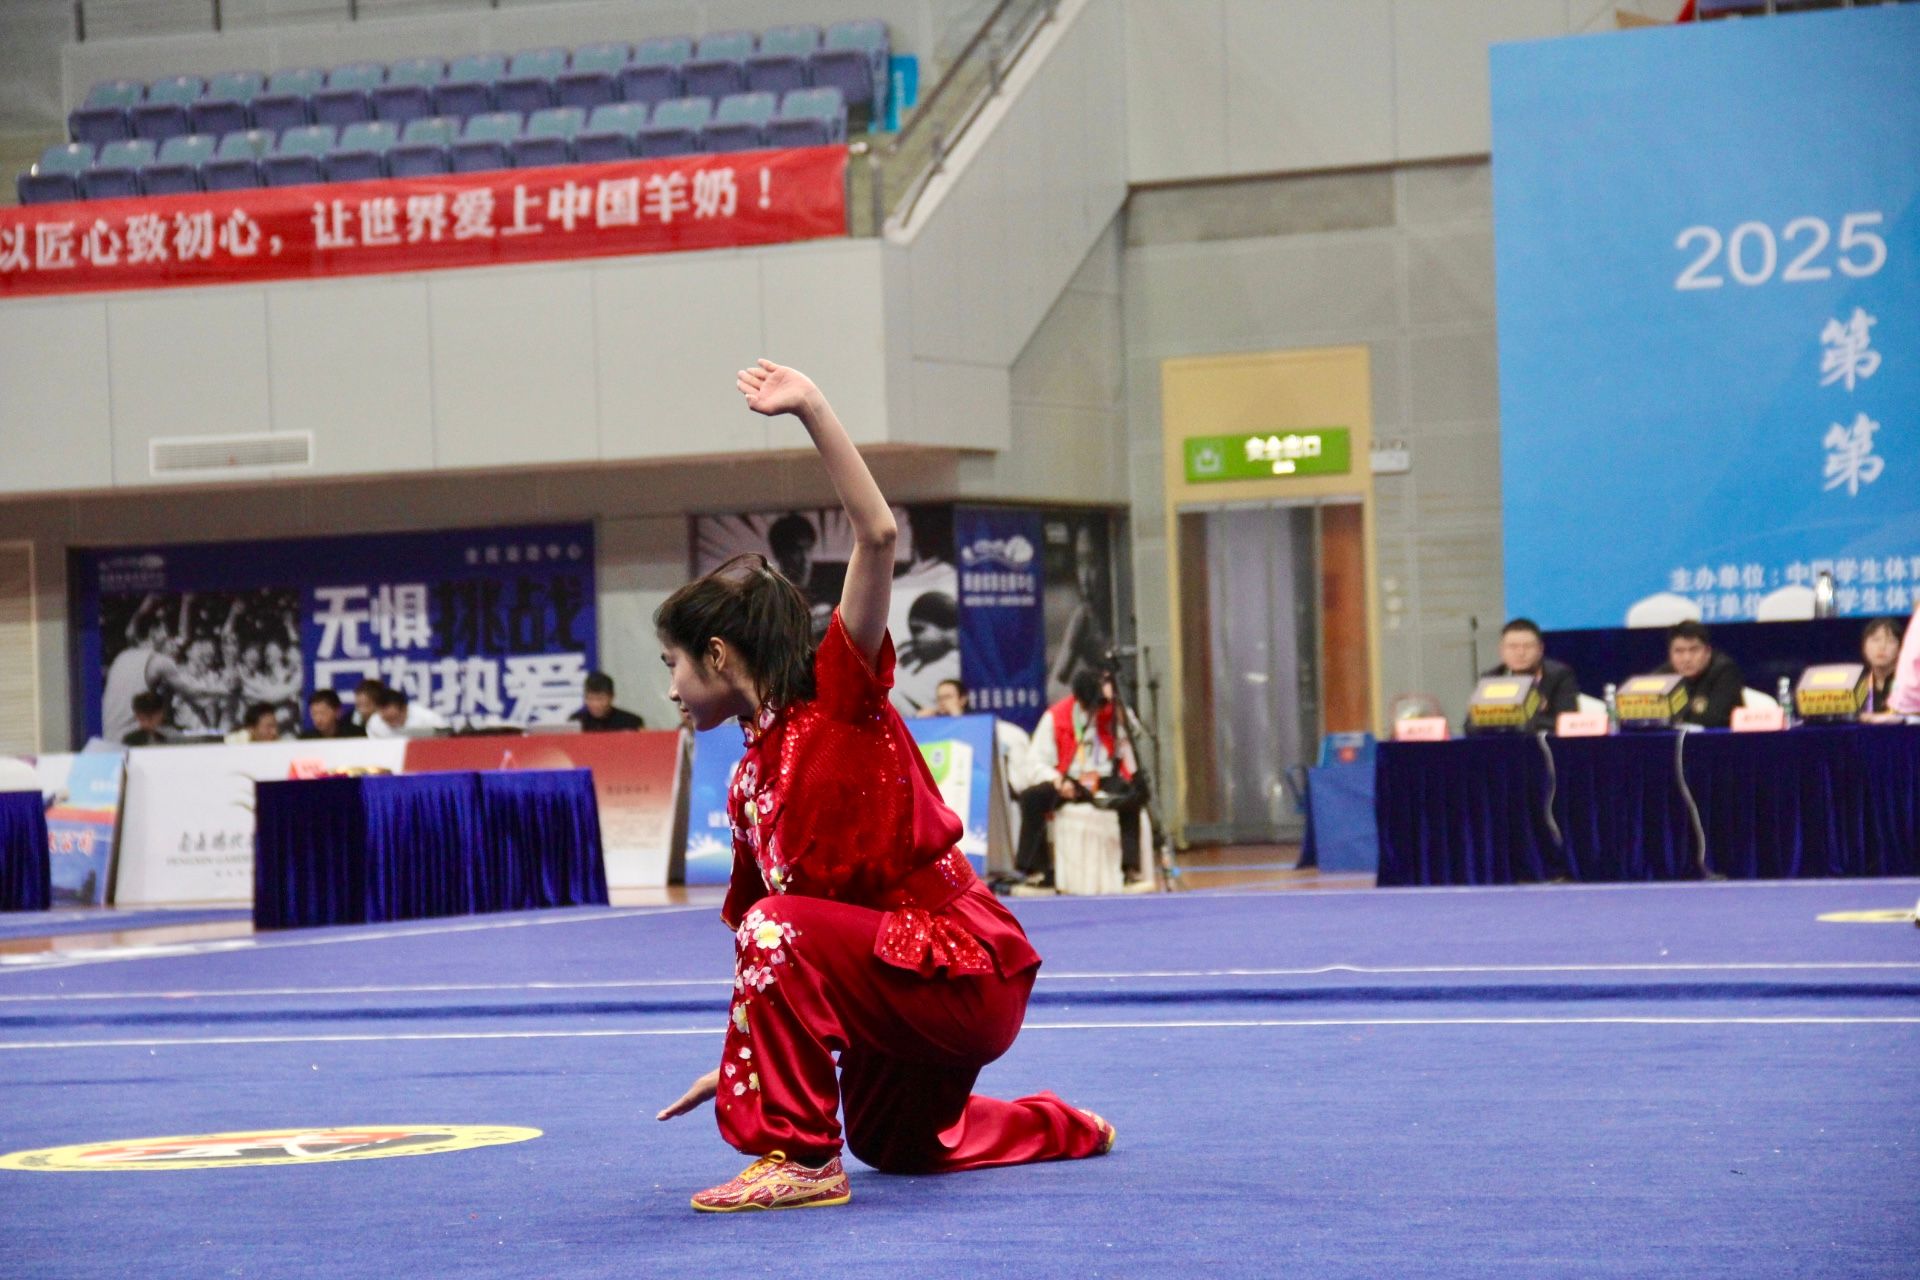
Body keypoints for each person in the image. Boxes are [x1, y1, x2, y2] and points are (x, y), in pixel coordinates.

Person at [651, 359, 1111, 1213]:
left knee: (774, 923)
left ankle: (801, 1161)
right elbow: (782, 964)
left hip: (961, 971)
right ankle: (1061, 1126)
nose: (670, 688)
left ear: (716, 655)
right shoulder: (748, 784)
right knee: (894, 1143)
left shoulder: (840, 693)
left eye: (672, 664)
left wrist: (812, 408)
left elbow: (877, 535)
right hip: (892, 986)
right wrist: (747, 1062)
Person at [1015, 668, 1147, 888]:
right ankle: (1036, 871)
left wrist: (1119, 704)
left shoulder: (1114, 712)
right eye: (1087, 705)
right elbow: (1034, 763)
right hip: (1070, 779)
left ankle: (1130, 869)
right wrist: (1057, 780)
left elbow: (1136, 734)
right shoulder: (1056, 716)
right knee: (1031, 798)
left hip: (1105, 778)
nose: (1093, 710)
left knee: (1132, 797)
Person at [1478, 618, 1580, 732]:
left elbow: (1567, 723)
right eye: (1513, 647)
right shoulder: (1492, 678)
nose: (1521, 653)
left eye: (1528, 646)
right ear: (1501, 651)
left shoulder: (1559, 676)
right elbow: (1471, 726)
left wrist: (1512, 716)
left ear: (1540, 649)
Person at [1657, 620, 1743, 728]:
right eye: (1679, 651)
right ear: (1670, 654)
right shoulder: (1662, 677)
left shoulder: (1725, 671)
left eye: (1694, 650)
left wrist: (1677, 719)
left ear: (1708, 652)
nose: (1687, 658)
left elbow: (1714, 719)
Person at [1859, 617, 1903, 722]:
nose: (1882, 647)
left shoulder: (1911, 684)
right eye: (1875, 640)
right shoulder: (1858, 684)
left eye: (1890, 641)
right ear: (1864, 647)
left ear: (1900, 649)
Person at [569, 671, 646, 732]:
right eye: (590, 698)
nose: (595, 704)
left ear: (612, 697)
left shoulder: (631, 722)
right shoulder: (576, 721)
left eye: (600, 699)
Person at [365, 686, 449, 738]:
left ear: (404, 709)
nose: (391, 723)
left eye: (394, 718)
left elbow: (447, 733)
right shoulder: (375, 722)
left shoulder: (426, 717)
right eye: (387, 720)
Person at [299, 689, 365, 739]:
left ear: (337, 712)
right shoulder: (306, 739)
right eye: (314, 714)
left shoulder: (355, 734)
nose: (318, 719)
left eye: (323, 713)